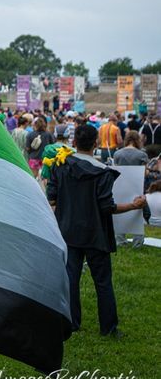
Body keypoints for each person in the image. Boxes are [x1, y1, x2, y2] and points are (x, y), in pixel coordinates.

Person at [46, 124, 146, 337]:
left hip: (68, 232)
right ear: (96, 144)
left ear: (74, 143)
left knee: (71, 279)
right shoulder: (102, 173)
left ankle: (72, 322)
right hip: (96, 233)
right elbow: (107, 207)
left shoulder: (60, 166)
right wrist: (132, 206)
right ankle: (108, 328)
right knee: (102, 282)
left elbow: (52, 198)